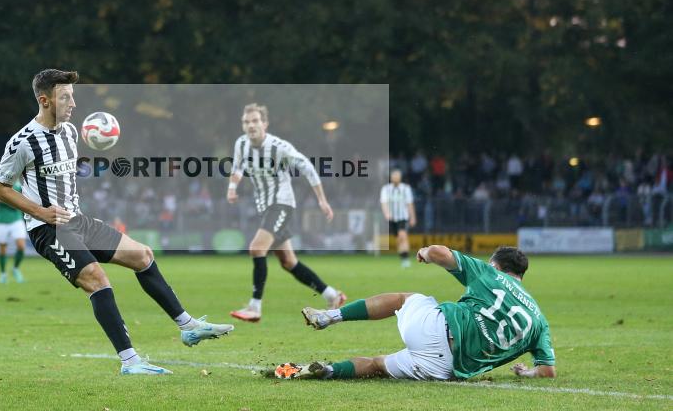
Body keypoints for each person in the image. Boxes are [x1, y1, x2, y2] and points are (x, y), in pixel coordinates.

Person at [0, 69, 233, 375]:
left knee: (143, 255)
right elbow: (2, 188)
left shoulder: (69, 132)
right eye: (65, 97)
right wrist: (40, 212)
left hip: (76, 221)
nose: (73, 103)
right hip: (48, 229)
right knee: (97, 278)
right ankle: (130, 362)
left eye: (73, 96)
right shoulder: (22, 142)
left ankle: (188, 326)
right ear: (44, 100)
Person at [274, 245, 556, 382]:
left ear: (495, 265)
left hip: (434, 329)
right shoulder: (540, 321)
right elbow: (547, 371)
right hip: (446, 369)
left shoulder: (489, 274)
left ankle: (329, 317)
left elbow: (441, 252)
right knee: (377, 365)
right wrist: (526, 373)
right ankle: (329, 371)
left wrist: (425, 252)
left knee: (403, 299)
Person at [227, 103, 346, 323]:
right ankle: (333, 295)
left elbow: (307, 168)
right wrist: (232, 187)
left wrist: (321, 199)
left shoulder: (278, 147)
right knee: (288, 262)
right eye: (246, 121)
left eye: (255, 121)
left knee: (256, 248)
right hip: (265, 206)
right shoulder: (241, 144)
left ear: (265, 123)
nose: (251, 125)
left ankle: (255, 307)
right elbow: (237, 167)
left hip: (282, 204)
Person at [0, 176, 26, 283]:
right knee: (3, 249)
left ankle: (15, 269)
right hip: (1, 220)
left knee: (21, 246)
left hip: (17, 218)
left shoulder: (19, 179)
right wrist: (4, 199)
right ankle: (3, 274)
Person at [379, 169, 416, 268]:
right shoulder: (386, 189)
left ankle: (406, 259)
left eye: (397, 176)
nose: (395, 178)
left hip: (403, 217)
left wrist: (412, 217)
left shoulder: (406, 188)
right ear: (391, 178)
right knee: (399, 239)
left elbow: (409, 204)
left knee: (402, 235)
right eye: (393, 176)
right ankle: (403, 257)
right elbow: (384, 202)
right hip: (392, 218)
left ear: (400, 178)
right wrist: (386, 214)